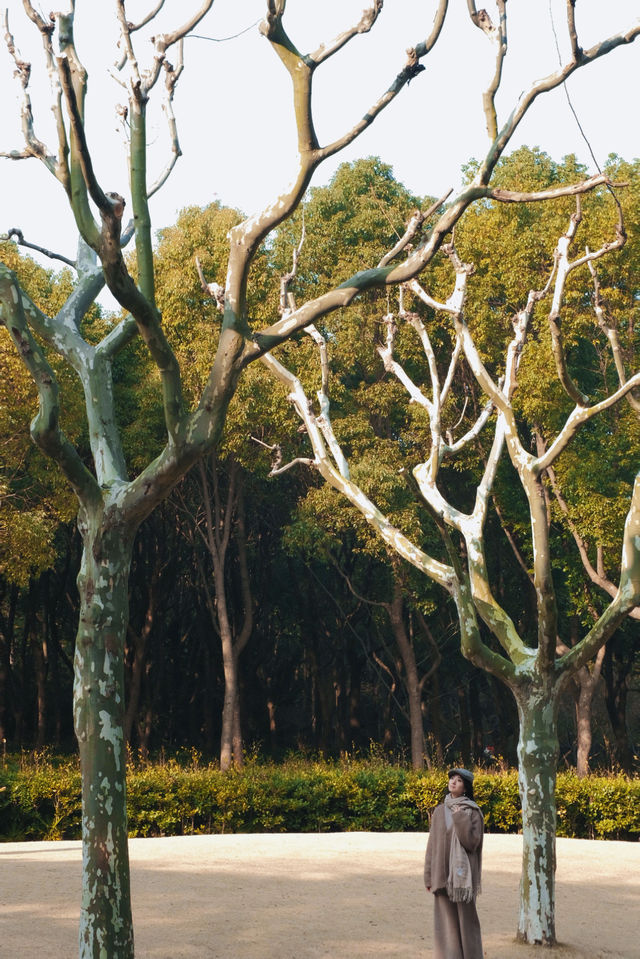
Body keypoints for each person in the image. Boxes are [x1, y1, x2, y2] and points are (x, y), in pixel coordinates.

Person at [424, 768, 484, 959]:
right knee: (446, 925)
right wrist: (428, 876)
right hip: (441, 876)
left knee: (467, 923)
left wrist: (460, 818)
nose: (453, 782)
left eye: (459, 780)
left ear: (465, 787)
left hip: (462, 880)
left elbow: (472, 843)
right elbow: (432, 846)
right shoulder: (439, 811)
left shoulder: (473, 812)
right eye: (451, 779)